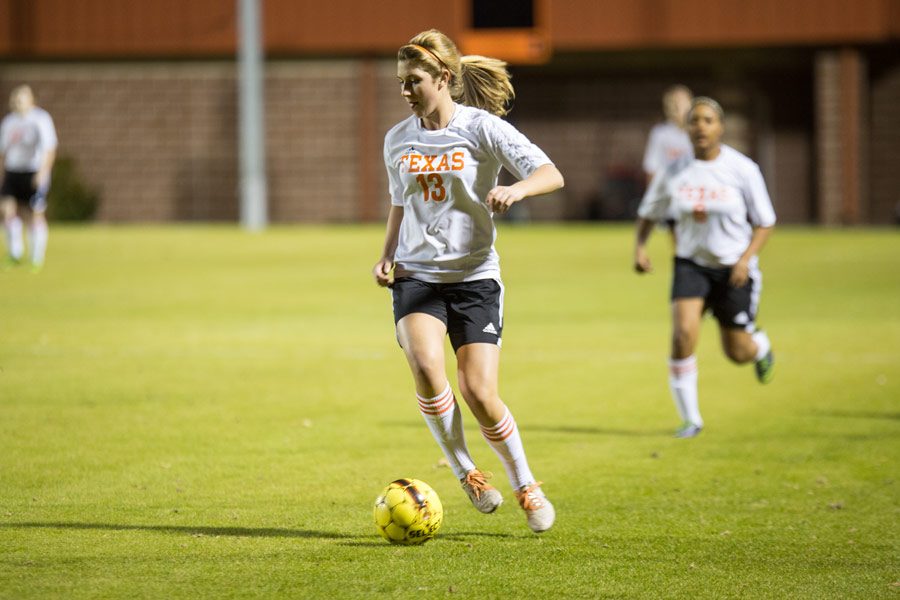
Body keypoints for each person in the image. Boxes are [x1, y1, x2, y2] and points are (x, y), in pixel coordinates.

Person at [372, 29, 564, 532]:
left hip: (475, 277)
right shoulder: (397, 138)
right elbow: (400, 203)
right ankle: (467, 472)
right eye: (400, 83)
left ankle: (524, 483)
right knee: (426, 366)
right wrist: (386, 255)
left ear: (443, 78)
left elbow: (550, 173)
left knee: (478, 391)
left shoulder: (482, 129)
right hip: (417, 275)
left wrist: (517, 191)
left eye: (413, 81)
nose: (405, 91)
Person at [633, 96, 776, 439]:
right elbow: (650, 212)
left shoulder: (742, 169)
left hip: (733, 268)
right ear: (686, 128)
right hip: (691, 264)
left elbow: (765, 222)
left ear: (720, 127)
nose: (700, 126)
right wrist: (640, 247)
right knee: (683, 336)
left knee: (737, 352)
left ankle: (761, 346)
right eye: (694, 120)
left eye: (708, 120)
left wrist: (744, 259)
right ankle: (690, 420)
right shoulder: (674, 171)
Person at [1, 85, 58, 272]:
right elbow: (3, 151)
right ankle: (15, 253)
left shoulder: (40, 119)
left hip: (33, 172)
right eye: (15, 100)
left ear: (31, 100)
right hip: (13, 171)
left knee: (35, 214)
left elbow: (49, 148)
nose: (17, 103)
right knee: (7, 210)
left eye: (21, 99)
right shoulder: (8, 122)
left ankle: (36, 256)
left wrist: (42, 173)